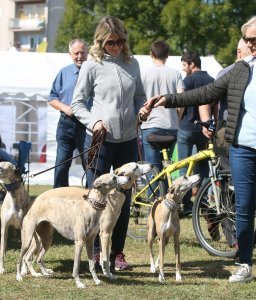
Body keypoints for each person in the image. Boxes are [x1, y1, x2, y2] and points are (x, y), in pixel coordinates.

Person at [146, 14, 256, 290]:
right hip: (241, 148)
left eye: (253, 39)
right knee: (243, 207)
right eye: (247, 39)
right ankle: (244, 265)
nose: (248, 44)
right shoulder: (241, 69)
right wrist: (167, 100)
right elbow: (206, 93)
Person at [71, 16, 150, 271]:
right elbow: (77, 104)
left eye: (120, 41)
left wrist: (141, 111)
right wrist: (94, 122)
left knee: (123, 199)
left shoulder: (133, 63)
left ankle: (117, 253)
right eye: (110, 42)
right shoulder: (91, 65)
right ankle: (95, 252)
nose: (115, 46)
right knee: (97, 197)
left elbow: (140, 97)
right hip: (100, 141)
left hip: (128, 140)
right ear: (100, 41)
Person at [177, 52, 214, 216]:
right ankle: (203, 201)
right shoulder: (211, 80)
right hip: (204, 129)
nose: (183, 69)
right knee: (204, 167)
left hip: (186, 127)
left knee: (184, 167)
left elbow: (182, 103)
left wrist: (178, 120)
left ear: (192, 64)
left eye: (184, 65)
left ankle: (185, 205)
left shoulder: (187, 80)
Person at [48, 39, 89, 188]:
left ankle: (92, 198)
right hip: (66, 124)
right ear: (70, 54)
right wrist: (66, 108)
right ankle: (58, 198)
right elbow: (52, 98)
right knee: (61, 165)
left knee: (89, 165)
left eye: (82, 53)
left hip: (87, 126)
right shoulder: (63, 73)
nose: (79, 56)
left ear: (88, 53)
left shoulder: (95, 72)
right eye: (76, 53)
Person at [140, 40, 185, 171]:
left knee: (152, 170)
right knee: (167, 169)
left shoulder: (143, 73)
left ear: (151, 54)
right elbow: (181, 100)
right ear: (168, 55)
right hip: (171, 126)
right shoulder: (175, 73)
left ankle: (155, 192)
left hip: (150, 126)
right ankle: (166, 191)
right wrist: (177, 119)